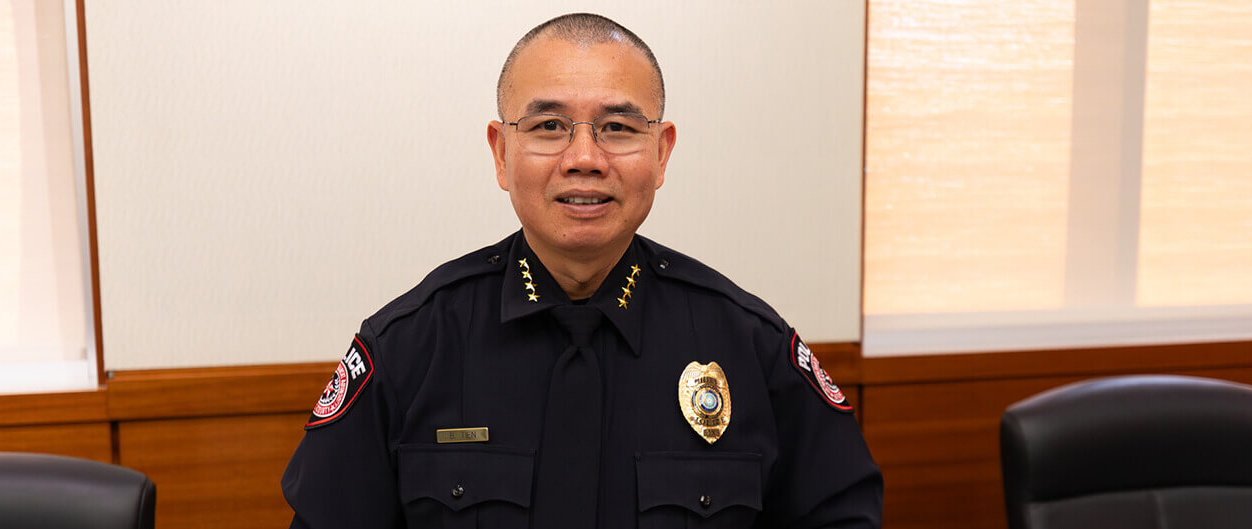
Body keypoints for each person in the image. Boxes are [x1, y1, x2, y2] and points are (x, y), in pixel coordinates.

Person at [282, 13, 882, 529]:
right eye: (549, 127)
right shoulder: (408, 348)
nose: (585, 158)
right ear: (500, 152)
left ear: (661, 152)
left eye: (618, 127)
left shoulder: (751, 346)